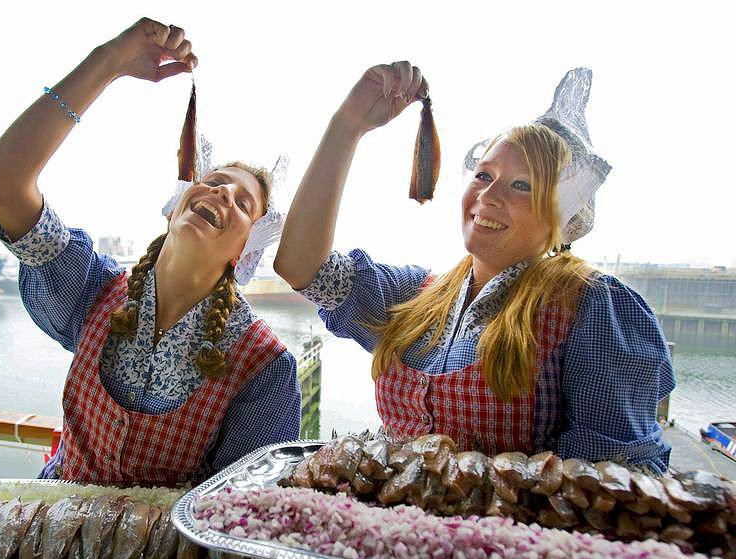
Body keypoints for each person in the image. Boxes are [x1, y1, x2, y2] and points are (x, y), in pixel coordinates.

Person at [274, 63, 673, 476]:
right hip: (388, 533)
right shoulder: (420, 294)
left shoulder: (591, 305)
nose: (489, 194)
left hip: (506, 539)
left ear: (564, 213)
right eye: (484, 174)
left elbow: (611, 481)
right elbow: (302, 267)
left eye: (522, 185)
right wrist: (348, 124)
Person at [0, 18, 301, 484]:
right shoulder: (93, 290)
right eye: (213, 182)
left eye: (243, 202)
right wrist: (109, 60)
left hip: (159, 558)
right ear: (175, 207)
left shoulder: (262, 367)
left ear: (244, 253)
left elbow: (241, 512)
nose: (223, 193)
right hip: (44, 537)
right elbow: (1, 181)